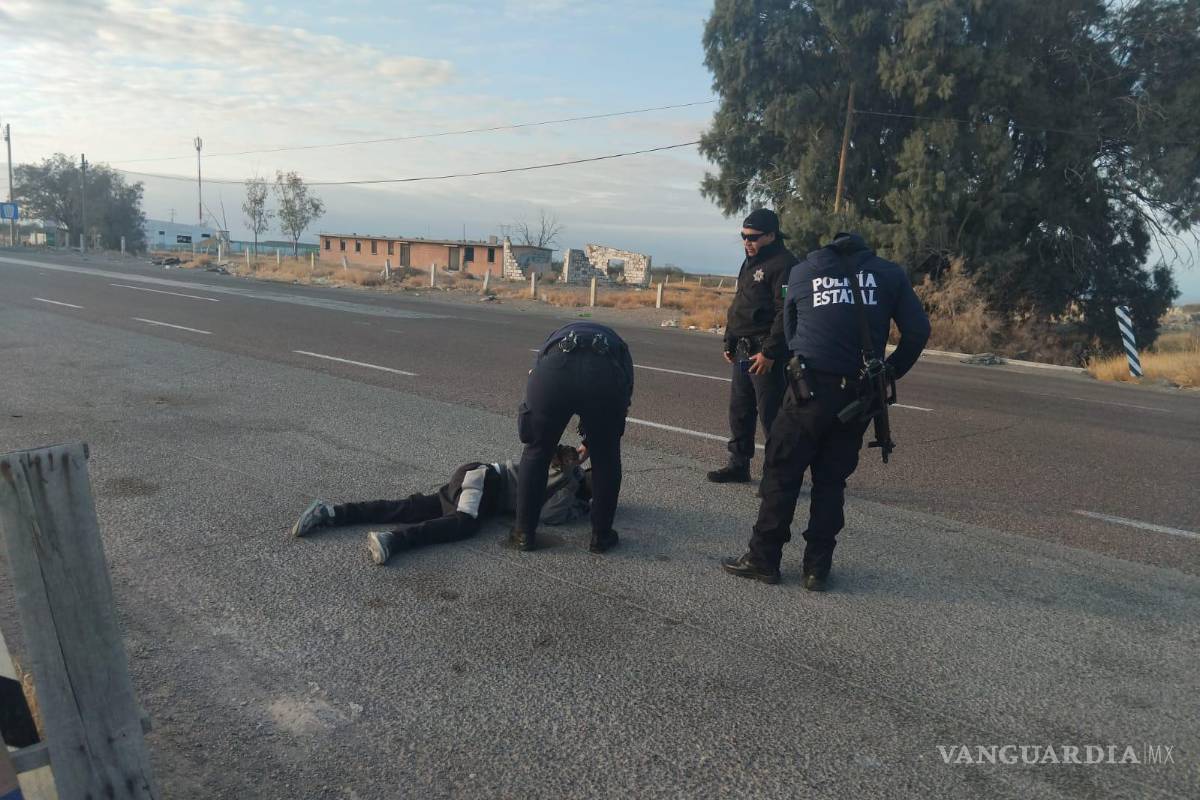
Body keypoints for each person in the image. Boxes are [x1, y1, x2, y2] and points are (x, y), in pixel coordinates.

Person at [722, 232, 930, 590]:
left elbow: (789, 330)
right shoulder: (889, 274)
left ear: (825, 250)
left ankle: (764, 559)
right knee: (831, 482)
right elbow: (918, 331)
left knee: (781, 473)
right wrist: (889, 371)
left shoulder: (803, 272)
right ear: (866, 250)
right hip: (859, 395)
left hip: (807, 389)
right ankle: (817, 569)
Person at [291, 445, 591, 565]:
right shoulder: (569, 479)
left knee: (409, 508)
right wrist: (579, 505)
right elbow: (551, 515)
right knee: (464, 523)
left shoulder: (566, 467)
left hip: (476, 476)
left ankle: (329, 513)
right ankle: (393, 540)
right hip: (485, 481)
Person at [509, 322, 633, 553]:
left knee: (535, 453)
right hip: (605, 375)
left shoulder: (552, 343)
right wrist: (591, 444)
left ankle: (523, 533)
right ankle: (601, 536)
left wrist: (542, 438)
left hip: (553, 373)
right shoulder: (619, 348)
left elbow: (534, 383)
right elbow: (622, 401)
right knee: (606, 459)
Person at [708, 208, 798, 485]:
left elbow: (786, 312)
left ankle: (778, 476)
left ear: (771, 235)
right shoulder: (750, 261)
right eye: (744, 237)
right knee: (740, 411)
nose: (747, 242)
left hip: (765, 352)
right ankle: (738, 465)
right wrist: (729, 338)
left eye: (754, 237)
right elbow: (741, 303)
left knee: (772, 416)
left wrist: (770, 352)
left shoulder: (785, 264)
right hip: (744, 349)